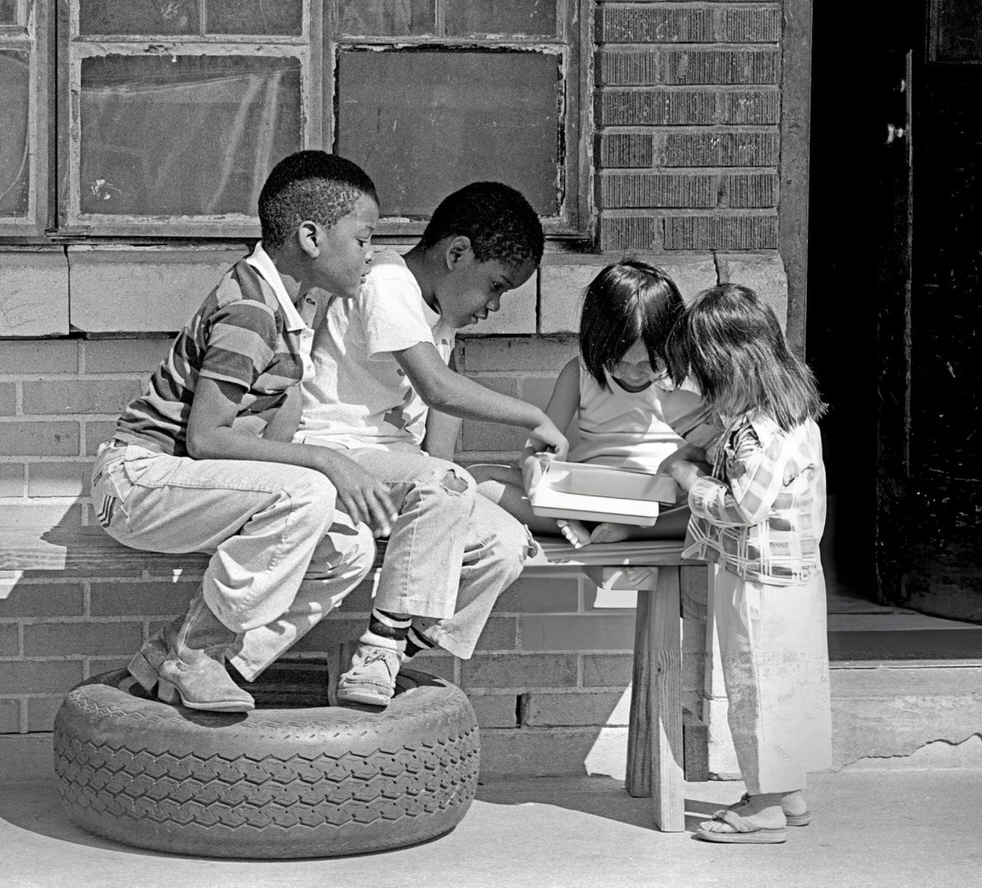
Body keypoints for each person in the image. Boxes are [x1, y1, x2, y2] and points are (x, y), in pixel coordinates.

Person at [90, 150, 398, 713]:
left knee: (347, 549)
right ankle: (198, 654)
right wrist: (330, 460)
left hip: (179, 481)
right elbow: (207, 437)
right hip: (137, 480)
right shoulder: (252, 311)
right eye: (363, 238)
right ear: (310, 237)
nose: (370, 254)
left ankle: (183, 650)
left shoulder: (285, 309)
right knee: (308, 489)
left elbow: (269, 447)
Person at [294, 181, 568, 707]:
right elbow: (438, 388)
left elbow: (435, 444)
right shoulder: (388, 282)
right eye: (496, 285)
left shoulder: (436, 320)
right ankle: (381, 644)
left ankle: (389, 653)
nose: (493, 304)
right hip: (336, 452)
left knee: (505, 549)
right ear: (457, 252)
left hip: (397, 468)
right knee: (448, 484)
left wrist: (466, 501)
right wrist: (534, 417)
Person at [662, 283, 832, 844]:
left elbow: (743, 506)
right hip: (796, 577)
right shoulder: (793, 414)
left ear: (733, 367)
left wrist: (690, 481)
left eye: (708, 378)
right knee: (787, 687)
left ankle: (762, 809)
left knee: (753, 689)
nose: (704, 391)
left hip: (757, 582)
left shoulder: (759, 430)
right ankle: (787, 792)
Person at [473, 259, 720, 548]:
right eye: (619, 362)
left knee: (714, 503)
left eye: (647, 363)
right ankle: (573, 522)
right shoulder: (580, 373)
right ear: (595, 345)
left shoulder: (689, 378)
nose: (632, 372)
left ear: (672, 343)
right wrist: (538, 467)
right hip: (585, 496)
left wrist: (686, 465)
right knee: (476, 479)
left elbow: (715, 453)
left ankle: (631, 531)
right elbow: (537, 448)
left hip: (658, 503)